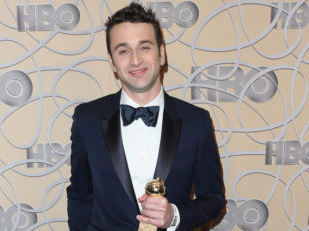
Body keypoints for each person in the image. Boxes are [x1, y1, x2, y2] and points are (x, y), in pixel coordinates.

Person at [67, 2, 225, 231]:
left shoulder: (196, 122)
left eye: (144, 47)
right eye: (123, 50)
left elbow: (213, 199)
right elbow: (79, 195)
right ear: (112, 62)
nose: (135, 60)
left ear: (161, 54)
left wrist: (175, 216)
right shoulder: (87, 119)